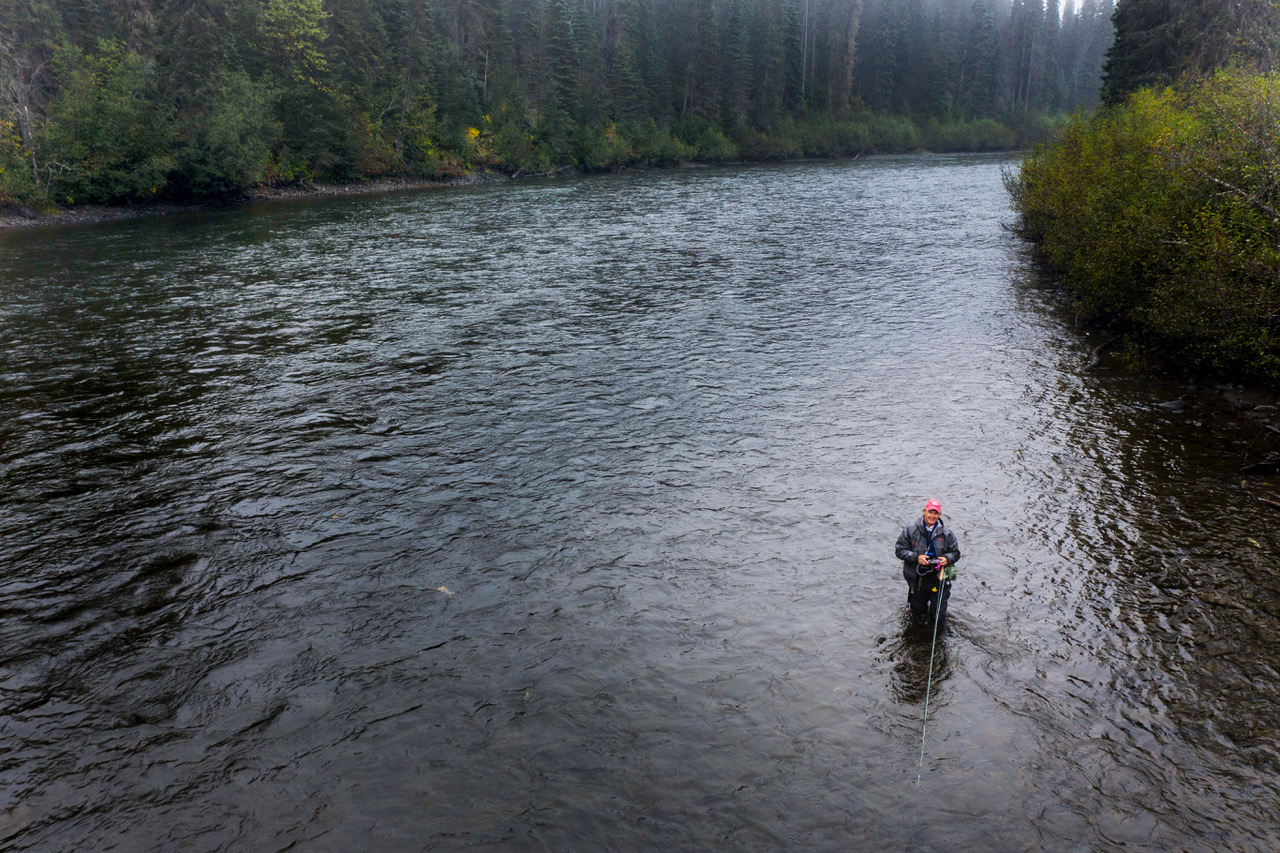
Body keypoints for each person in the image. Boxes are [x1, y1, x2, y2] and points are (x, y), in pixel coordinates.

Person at [895, 499, 961, 625]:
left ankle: (938, 639)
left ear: (939, 515)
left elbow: (956, 553)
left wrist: (947, 558)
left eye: (936, 513)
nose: (932, 516)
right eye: (930, 512)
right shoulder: (909, 531)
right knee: (916, 615)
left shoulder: (947, 534)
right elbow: (899, 551)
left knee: (939, 617)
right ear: (924, 512)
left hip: (939, 579)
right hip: (917, 579)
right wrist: (916, 557)